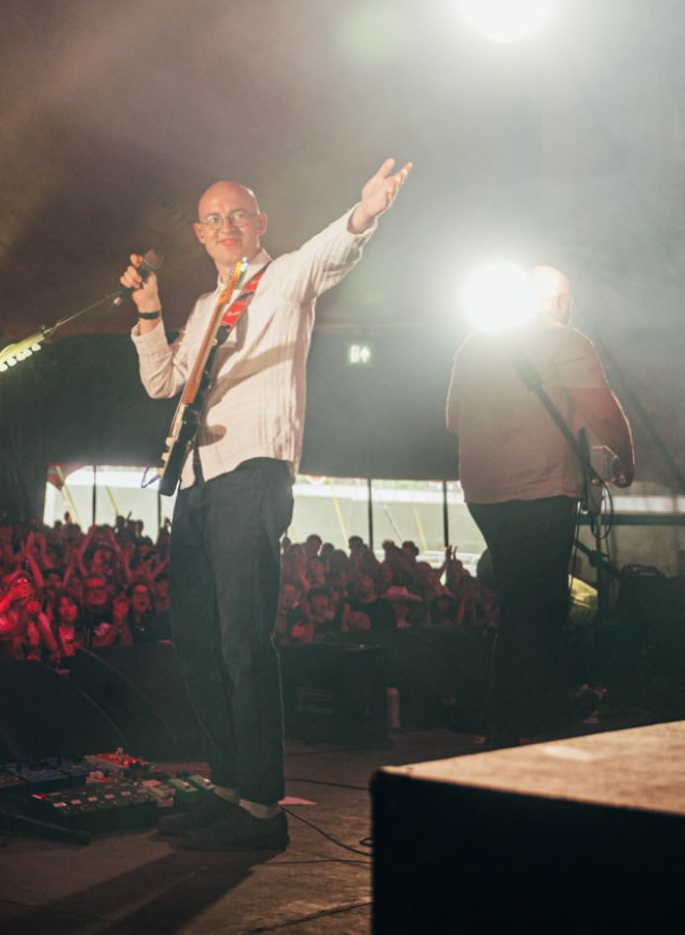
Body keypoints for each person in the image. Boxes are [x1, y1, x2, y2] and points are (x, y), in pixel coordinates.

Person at [124, 159, 410, 853]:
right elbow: (162, 383)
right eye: (213, 219)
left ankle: (261, 808)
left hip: (252, 470)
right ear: (198, 233)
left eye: (238, 215)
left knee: (242, 643)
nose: (226, 226)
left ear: (260, 223)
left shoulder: (281, 280)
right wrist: (150, 313)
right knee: (195, 644)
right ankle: (227, 786)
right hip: (193, 478)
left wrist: (364, 211)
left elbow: (331, 251)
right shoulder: (201, 309)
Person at [446, 266, 633, 748]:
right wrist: (626, 460)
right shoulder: (567, 341)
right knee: (536, 608)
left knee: (526, 604)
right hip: (541, 488)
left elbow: (453, 419)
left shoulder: (474, 344)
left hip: (485, 492)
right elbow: (603, 411)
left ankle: (535, 714)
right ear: (559, 299)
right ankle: (518, 728)